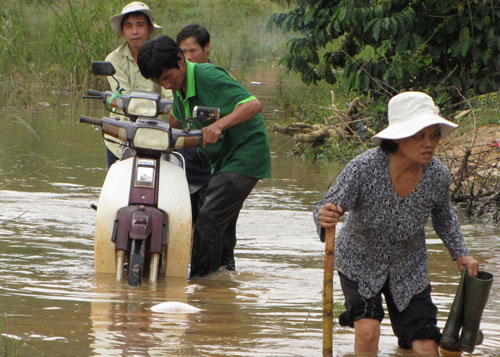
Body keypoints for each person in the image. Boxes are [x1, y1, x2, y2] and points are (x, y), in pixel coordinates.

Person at [313, 91, 479, 356]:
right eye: (419, 135)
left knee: (425, 346)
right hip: (359, 262)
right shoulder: (364, 167)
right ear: (398, 137)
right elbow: (324, 206)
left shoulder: (437, 175)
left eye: (433, 135)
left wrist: (461, 253)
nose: (429, 144)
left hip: (408, 266)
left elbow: (444, 216)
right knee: (368, 331)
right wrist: (325, 215)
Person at [137, 35, 271, 277]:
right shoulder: (179, 87)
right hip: (220, 161)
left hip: (245, 154)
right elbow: (175, 120)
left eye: (168, 77)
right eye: (160, 82)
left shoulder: (208, 76)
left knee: (208, 216)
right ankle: (224, 280)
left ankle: (200, 283)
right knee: (222, 225)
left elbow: (253, 105)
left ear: (181, 60)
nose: (167, 85)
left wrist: (219, 125)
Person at [104, 1, 171, 167]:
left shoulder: (162, 57)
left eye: (140, 25)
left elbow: (170, 92)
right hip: (121, 135)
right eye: (129, 26)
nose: (135, 31)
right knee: (116, 185)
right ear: (123, 31)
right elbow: (121, 93)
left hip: (157, 133)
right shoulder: (113, 60)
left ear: (149, 28)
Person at [174, 24, 212, 245]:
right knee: (180, 226)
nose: (188, 57)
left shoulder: (214, 78)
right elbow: (174, 118)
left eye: (193, 51)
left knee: (209, 229)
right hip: (184, 165)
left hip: (210, 167)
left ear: (206, 49)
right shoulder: (178, 80)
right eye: (183, 53)